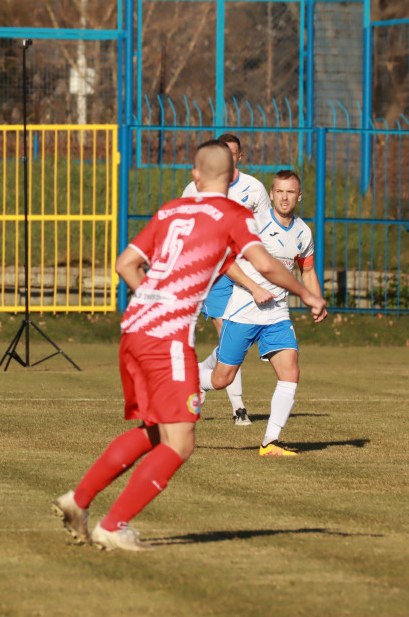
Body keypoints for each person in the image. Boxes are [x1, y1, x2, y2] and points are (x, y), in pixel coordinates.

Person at [52, 140, 326, 552]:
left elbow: (125, 264)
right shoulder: (234, 213)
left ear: (194, 176)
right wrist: (307, 295)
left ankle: (78, 501)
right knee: (180, 442)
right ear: (234, 177)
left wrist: (155, 301)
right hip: (167, 338)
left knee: (154, 431)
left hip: (134, 329)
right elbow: (267, 264)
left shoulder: (169, 210)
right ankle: (112, 526)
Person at [201, 170, 321, 456]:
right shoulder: (253, 225)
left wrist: (316, 299)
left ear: (299, 197)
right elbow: (226, 262)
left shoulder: (303, 233)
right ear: (271, 194)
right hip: (243, 308)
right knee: (221, 380)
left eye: (290, 192)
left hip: (277, 313)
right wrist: (254, 287)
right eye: (279, 191)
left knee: (290, 369)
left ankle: (270, 442)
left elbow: (307, 270)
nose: (284, 197)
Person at [182, 133, 270, 425]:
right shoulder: (196, 188)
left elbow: (265, 232)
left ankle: (198, 375)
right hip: (217, 273)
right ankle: (239, 408)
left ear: (240, 157)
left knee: (235, 342)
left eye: (233, 153)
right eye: (223, 153)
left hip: (247, 272)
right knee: (230, 337)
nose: (228, 158)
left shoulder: (254, 189)